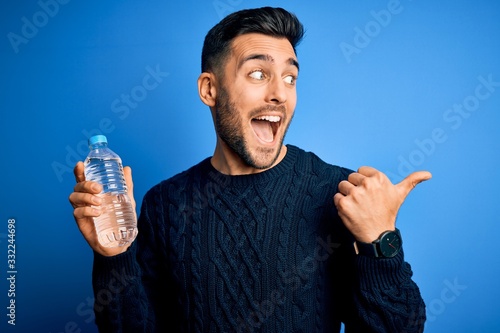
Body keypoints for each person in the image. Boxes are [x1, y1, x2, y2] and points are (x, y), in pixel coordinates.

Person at [69, 6, 431, 333]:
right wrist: (113, 258)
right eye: (258, 74)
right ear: (209, 89)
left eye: (290, 78)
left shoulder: (339, 193)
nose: (280, 94)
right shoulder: (165, 204)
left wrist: (381, 241)